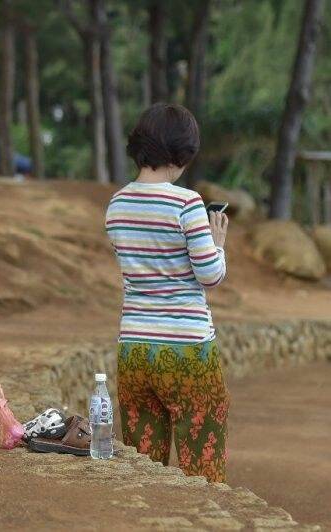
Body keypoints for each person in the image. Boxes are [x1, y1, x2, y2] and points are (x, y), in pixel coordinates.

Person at [104, 103, 231, 483]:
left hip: (135, 348)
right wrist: (218, 243)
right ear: (181, 154)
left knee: (146, 468)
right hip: (186, 350)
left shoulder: (117, 204)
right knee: (202, 466)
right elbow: (210, 276)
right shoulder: (187, 203)